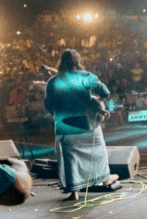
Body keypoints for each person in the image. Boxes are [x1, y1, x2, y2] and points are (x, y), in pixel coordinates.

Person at [44, 49, 120, 201]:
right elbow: (105, 92)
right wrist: (97, 101)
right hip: (88, 125)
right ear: (78, 62)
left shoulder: (53, 81)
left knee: (70, 159)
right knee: (99, 153)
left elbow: (48, 105)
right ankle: (105, 180)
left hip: (66, 127)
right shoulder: (86, 77)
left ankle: (75, 192)